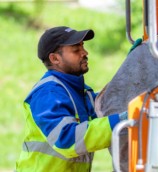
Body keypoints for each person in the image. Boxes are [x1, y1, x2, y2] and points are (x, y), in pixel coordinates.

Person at [16, 26, 127, 172]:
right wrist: (123, 120)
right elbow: (67, 140)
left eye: (83, 47)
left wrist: (132, 64)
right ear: (55, 58)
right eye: (76, 50)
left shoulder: (79, 91)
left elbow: (106, 108)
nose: (85, 53)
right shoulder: (48, 94)